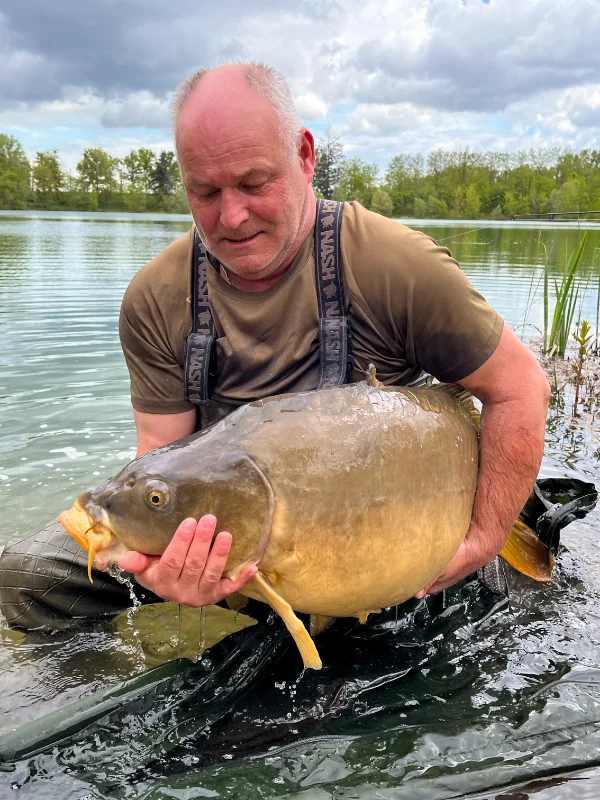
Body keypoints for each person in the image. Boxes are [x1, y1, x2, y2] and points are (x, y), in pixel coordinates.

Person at [0, 62, 550, 630]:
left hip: (375, 526)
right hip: (230, 538)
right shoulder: (156, 297)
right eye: (205, 191)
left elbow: (520, 389)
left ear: (305, 156)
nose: (232, 216)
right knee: (27, 580)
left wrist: (483, 537)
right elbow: (161, 457)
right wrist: (159, 562)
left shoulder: (397, 266)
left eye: (254, 183)